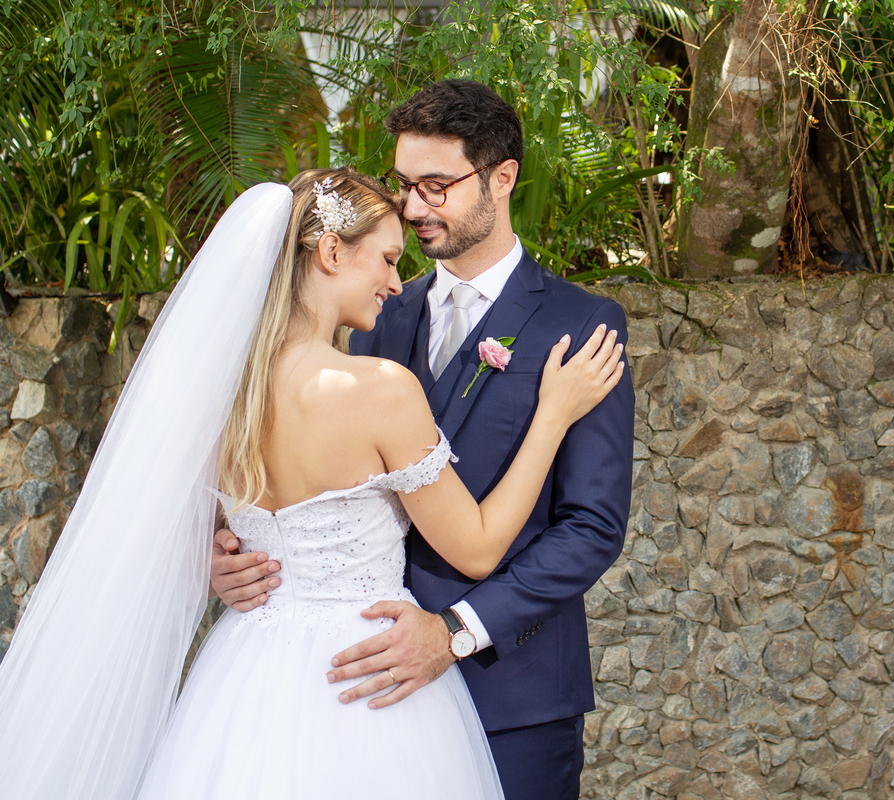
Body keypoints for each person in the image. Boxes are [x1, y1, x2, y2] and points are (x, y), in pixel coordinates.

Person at [0, 169, 624, 799]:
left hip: (243, 676)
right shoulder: (376, 389)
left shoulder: (219, 392)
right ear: (330, 251)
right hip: (366, 680)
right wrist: (552, 416)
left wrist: (214, 560)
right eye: (384, 259)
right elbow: (478, 547)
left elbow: (179, 523)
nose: (394, 281)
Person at [211, 80, 636, 799]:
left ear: (502, 178)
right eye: (406, 185)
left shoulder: (580, 322)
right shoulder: (377, 312)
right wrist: (232, 558)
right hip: (358, 687)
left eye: (436, 186)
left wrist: (456, 630)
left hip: (513, 693)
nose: (413, 208)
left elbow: (591, 527)